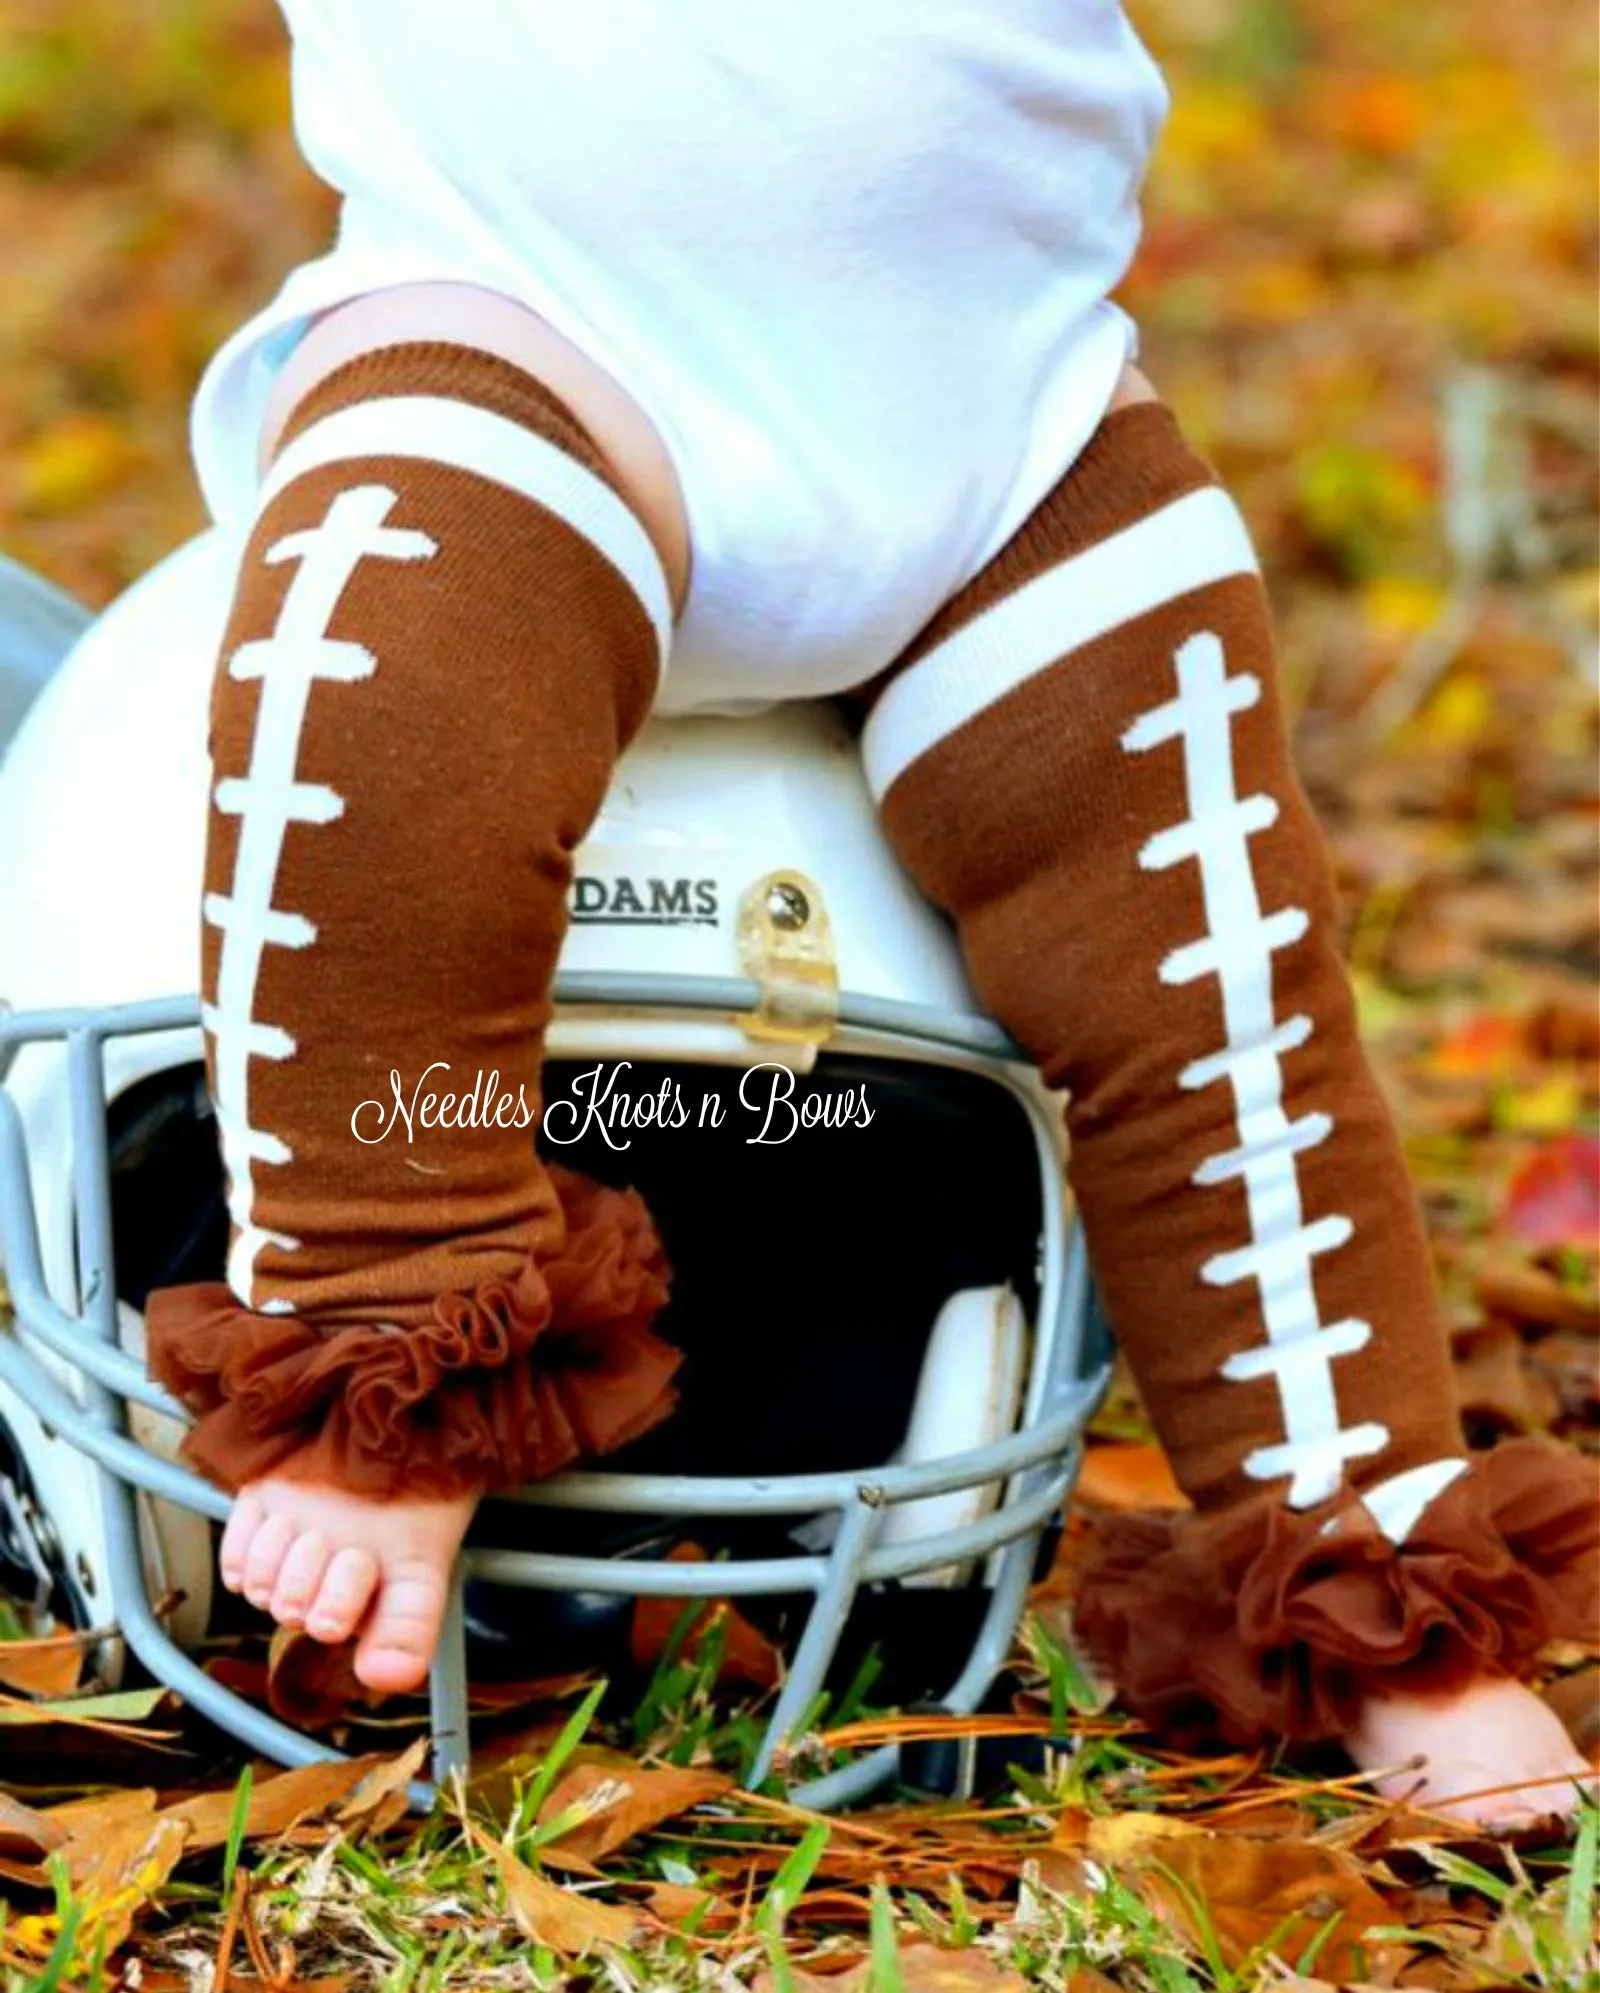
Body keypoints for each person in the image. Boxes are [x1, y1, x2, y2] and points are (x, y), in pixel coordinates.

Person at [143, 1, 1597, 1827]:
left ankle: (1366, 1557)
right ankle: (389, 1328)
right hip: (523, 323)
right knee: (384, 710)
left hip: (1003, 414)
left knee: (1210, 955)